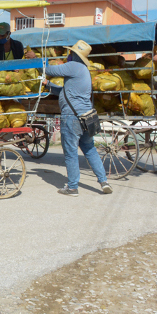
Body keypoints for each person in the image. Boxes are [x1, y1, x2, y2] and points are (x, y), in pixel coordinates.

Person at [41, 40, 112, 197]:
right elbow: (65, 92)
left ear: (74, 55)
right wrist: (48, 85)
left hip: (72, 117)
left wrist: (37, 59)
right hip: (86, 117)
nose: (68, 55)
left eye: (70, 53)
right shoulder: (84, 70)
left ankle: (72, 187)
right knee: (89, 149)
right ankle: (104, 182)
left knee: (71, 153)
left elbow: (48, 69)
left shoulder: (73, 66)